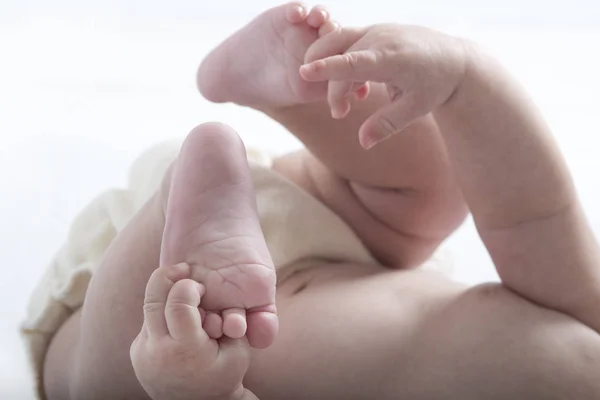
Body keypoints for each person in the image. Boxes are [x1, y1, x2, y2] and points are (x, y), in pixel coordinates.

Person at [22, 2, 600, 400]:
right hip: (350, 243)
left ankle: (182, 204)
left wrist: (201, 388)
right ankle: (300, 88)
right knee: (435, 196)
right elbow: (535, 219)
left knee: (108, 380)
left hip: (200, 316)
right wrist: (470, 84)